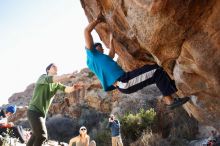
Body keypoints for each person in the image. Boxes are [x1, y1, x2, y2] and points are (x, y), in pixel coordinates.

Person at [84, 13, 190, 110]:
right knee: (156, 71)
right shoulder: (92, 55)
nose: (103, 49)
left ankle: (173, 93)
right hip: (124, 82)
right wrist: (98, 20)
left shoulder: (101, 59)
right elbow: (86, 31)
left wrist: (111, 40)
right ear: (94, 48)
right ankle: (169, 101)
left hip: (126, 78)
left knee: (154, 69)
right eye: (101, 48)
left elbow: (111, 54)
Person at [27, 63, 82, 146]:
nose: (56, 66)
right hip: (34, 111)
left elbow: (67, 89)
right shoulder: (43, 78)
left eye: (57, 66)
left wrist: (74, 88)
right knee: (42, 136)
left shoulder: (56, 84)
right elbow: (54, 79)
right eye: (53, 66)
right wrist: (67, 76)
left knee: (35, 136)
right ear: (48, 70)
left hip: (41, 114)